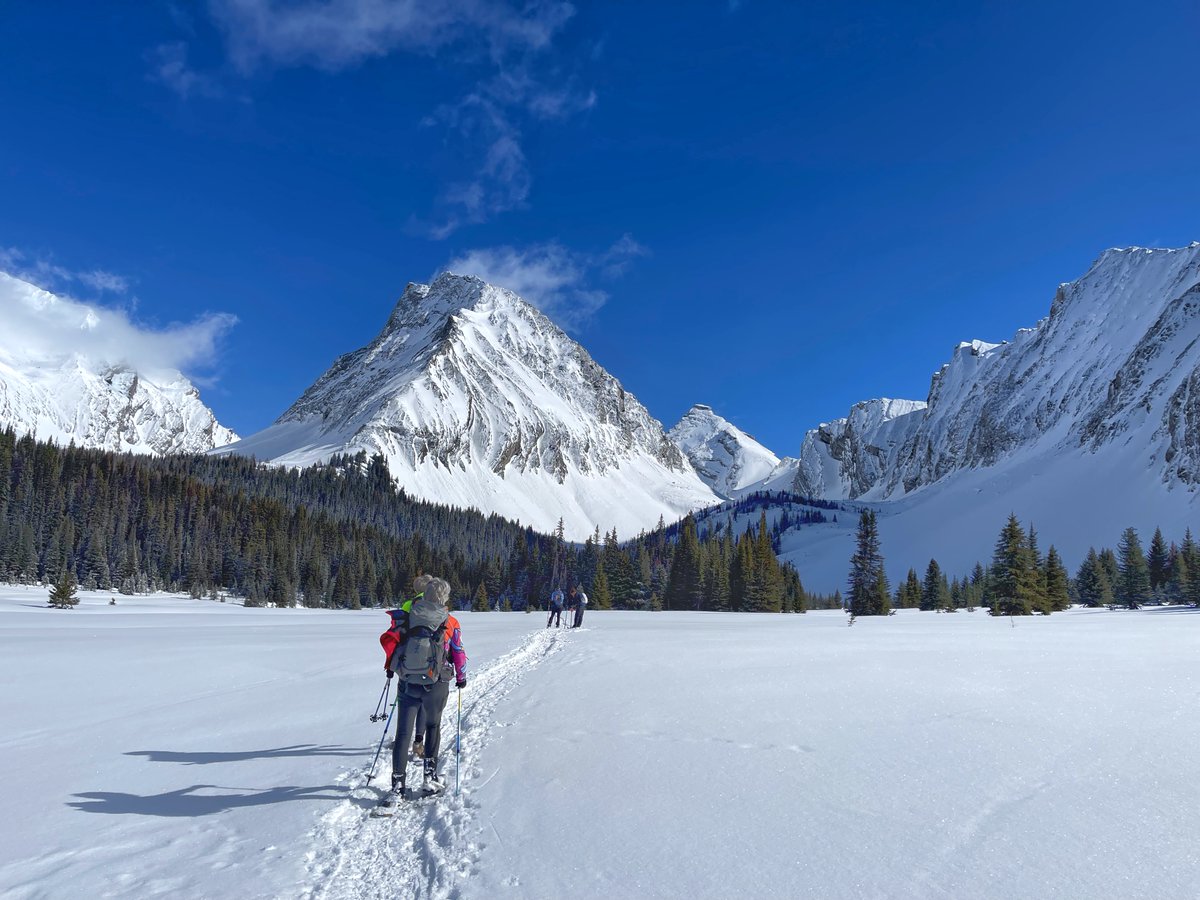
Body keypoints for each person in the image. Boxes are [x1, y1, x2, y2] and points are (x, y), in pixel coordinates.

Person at [380, 575, 467, 803]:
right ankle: (429, 778)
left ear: (424, 595)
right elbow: (458, 651)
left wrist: (393, 669)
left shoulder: (408, 616)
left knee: (403, 733)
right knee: (432, 726)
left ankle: (397, 786)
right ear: (444, 598)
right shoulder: (451, 621)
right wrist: (461, 677)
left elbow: (394, 645)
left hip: (408, 682)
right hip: (436, 684)